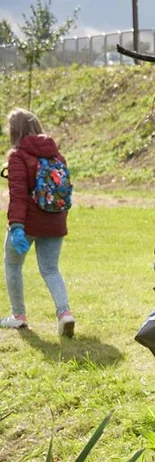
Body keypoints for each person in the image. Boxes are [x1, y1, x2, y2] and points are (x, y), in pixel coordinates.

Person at [2, 108, 75, 336]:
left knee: (13, 265)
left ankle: (19, 315)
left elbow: (18, 194)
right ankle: (65, 314)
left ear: (14, 130)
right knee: (51, 269)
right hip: (55, 221)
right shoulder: (56, 155)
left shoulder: (17, 155)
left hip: (28, 223)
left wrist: (16, 226)